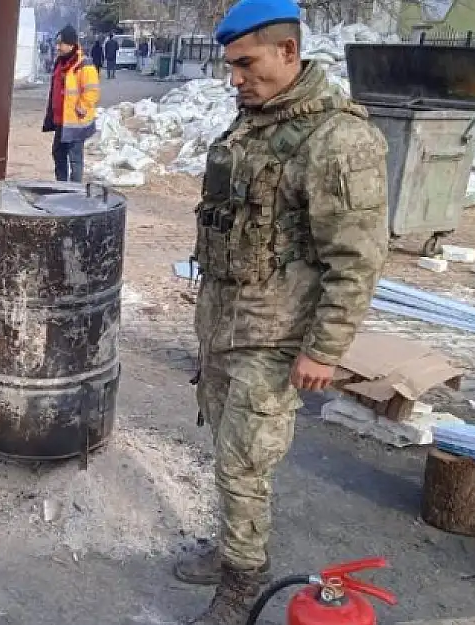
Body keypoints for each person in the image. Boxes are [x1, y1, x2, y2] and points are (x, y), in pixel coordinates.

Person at [174, 0, 390, 623]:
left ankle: (245, 578)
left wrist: (325, 348)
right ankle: (233, 549)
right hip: (226, 327)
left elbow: (357, 257)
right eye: (230, 66)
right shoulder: (257, 122)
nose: (234, 78)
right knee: (226, 451)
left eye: (245, 64)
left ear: (288, 53)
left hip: (275, 337)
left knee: (245, 461)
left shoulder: (338, 139)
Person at [42, 24, 100, 183]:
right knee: (58, 153)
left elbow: (92, 91)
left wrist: (81, 106)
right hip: (61, 120)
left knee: (75, 159)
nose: (57, 47)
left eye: (61, 43)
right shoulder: (60, 63)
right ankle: (61, 186)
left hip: (75, 121)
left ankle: (75, 192)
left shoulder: (84, 65)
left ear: (71, 44)